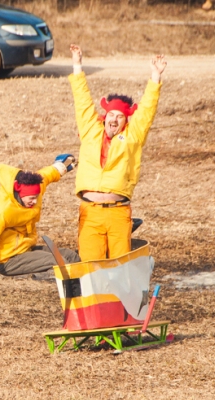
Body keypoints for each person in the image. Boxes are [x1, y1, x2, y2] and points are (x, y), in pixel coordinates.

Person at [68, 44, 167, 262]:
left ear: (125, 120)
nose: (114, 119)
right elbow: (82, 101)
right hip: (90, 212)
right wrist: (77, 65)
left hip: (119, 212)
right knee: (90, 263)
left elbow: (147, 111)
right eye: (111, 115)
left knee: (120, 264)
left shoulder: (133, 136)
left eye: (120, 116)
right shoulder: (90, 130)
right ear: (105, 116)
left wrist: (155, 77)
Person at [0, 155, 80, 287]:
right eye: (31, 198)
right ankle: (74, 293)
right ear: (20, 194)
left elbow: (45, 176)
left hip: (24, 249)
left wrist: (59, 167)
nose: (35, 201)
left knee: (72, 257)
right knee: (59, 261)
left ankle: (88, 289)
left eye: (37, 197)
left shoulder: (34, 188)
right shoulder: (1, 210)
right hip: (7, 259)